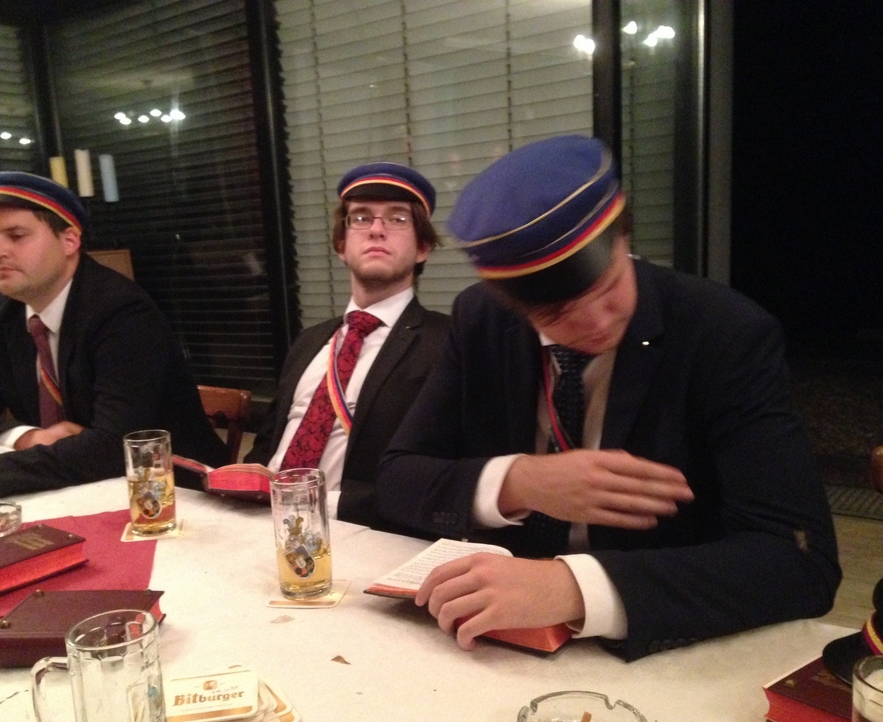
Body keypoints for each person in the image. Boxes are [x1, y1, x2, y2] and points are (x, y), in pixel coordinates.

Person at [376, 135, 841, 661]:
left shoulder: (724, 332)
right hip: (499, 643)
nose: (597, 322)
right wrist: (519, 482)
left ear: (623, 237)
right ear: (514, 307)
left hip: (659, 645)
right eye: (556, 314)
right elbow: (397, 479)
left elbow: (801, 563)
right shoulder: (481, 319)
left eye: (607, 287)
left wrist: (575, 587)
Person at [0, 172, 228, 505]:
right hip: (71, 487)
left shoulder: (121, 311)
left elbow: (113, 446)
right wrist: (28, 437)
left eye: (16, 236)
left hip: (175, 494)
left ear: (69, 241)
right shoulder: (3, 309)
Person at [246, 162, 449, 528]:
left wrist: (316, 502)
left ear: (423, 247)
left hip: (354, 530)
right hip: (260, 520)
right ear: (341, 245)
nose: (376, 229)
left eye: (397, 219)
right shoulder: (309, 341)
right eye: (360, 217)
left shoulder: (447, 344)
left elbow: (443, 477)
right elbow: (265, 446)